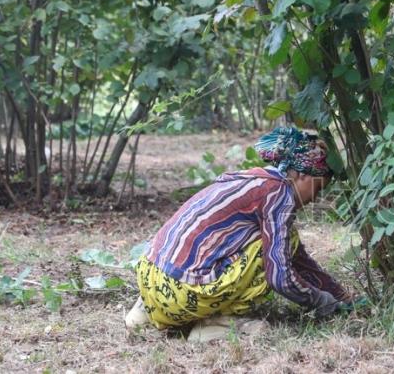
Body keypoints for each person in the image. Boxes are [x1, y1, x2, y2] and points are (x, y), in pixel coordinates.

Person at [125, 127, 358, 340]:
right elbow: (280, 276)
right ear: (302, 175)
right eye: (318, 188)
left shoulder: (252, 179)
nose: (315, 198)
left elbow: (300, 262)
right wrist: (321, 301)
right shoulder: (278, 193)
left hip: (151, 279)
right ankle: (216, 324)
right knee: (284, 243)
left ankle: (144, 312)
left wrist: (338, 294)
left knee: (278, 239)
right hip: (181, 294)